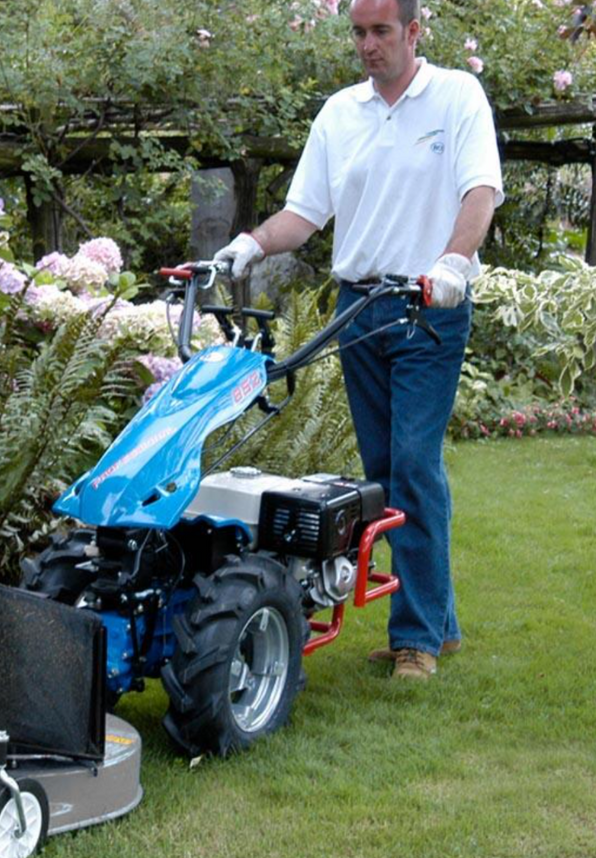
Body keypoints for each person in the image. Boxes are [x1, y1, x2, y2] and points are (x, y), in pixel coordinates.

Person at [213, 0, 503, 680]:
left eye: (380, 32)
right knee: (381, 468)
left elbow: (480, 193)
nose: (368, 46)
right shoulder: (341, 114)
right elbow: (304, 214)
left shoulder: (456, 96)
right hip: (360, 309)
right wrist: (249, 245)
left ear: (412, 32)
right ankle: (441, 619)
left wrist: (454, 265)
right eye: (358, 33)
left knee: (412, 462)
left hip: (426, 306)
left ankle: (417, 640)